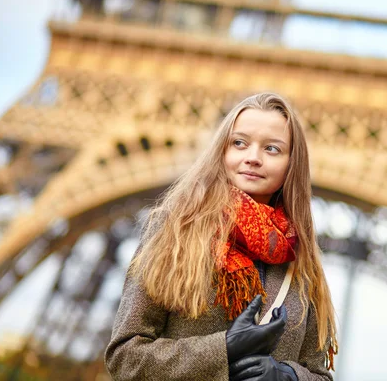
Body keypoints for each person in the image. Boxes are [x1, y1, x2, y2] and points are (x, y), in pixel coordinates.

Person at [105, 92, 338, 380]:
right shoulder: (175, 229)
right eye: (239, 143)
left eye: (272, 149)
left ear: (292, 163)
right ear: (222, 151)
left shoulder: (302, 260)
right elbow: (125, 358)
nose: (252, 158)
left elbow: (320, 374)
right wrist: (223, 350)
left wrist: (286, 375)